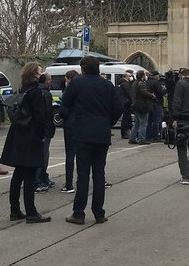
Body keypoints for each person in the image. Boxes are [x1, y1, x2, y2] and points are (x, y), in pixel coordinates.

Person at [62, 56, 124, 223]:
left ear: (83, 68)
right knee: (99, 174)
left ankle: (79, 213)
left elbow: (65, 105)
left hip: (82, 133)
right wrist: (107, 122)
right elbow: (118, 107)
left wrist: (72, 121)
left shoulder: (76, 83)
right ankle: (99, 213)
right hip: (102, 134)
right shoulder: (107, 85)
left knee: (83, 175)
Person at [1, 62, 53, 224]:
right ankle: (31, 211)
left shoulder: (22, 89)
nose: (42, 73)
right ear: (35, 75)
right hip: (31, 136)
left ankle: (14, 209)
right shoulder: (36, 92)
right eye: (40, 71)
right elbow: (39, 117)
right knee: (30, 175)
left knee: (18, 174)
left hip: (18, 134)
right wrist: (42, 135)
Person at [35, 73, 57, 190]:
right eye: (49, 80)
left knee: (43, 154)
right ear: (45, 81)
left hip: (42, 129)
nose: (51, 82)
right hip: (45, 129)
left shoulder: (38, 91)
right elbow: (46, 114)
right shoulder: (45, 94)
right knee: (42, 155)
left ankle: (43, 177)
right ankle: (38, 180)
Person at [60, 69, 79, 192]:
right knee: (84, 156)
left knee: (70, 155)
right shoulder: (83, 90)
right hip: (82, 124)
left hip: (70, 125)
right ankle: (82, 181)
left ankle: (69, 184)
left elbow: (63, 110)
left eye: (66, 79)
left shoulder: (68, 91)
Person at [129, 70, 153, 145]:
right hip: (142, 105)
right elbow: (144, 93)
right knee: (143, 123)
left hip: (136, 105)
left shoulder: (134, 83)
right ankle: (141, 139)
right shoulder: (141, 83)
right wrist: (152, 95)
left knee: (137, 123)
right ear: (142, 76)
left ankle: (132, 138)